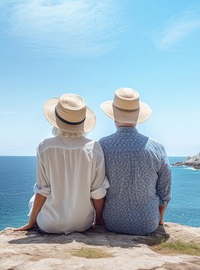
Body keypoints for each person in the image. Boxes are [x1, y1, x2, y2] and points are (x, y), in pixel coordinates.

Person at [15, 93, 108, 233]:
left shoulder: (44, 147)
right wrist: (99, 220)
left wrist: (31, 222)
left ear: (56, 120)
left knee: (34, 197)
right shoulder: (94, 148)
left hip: (49, 224)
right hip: (82, 224)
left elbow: (43, 191)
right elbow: (97, 192)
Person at [99, 87, 171, 236]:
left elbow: (96, 187)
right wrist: (160, 218)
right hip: (147, 224)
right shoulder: (157, 148)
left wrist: (99, 218)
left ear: (114, 116)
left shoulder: (102, 145)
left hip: (112, 222)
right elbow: (165, 191)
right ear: (137, 118)